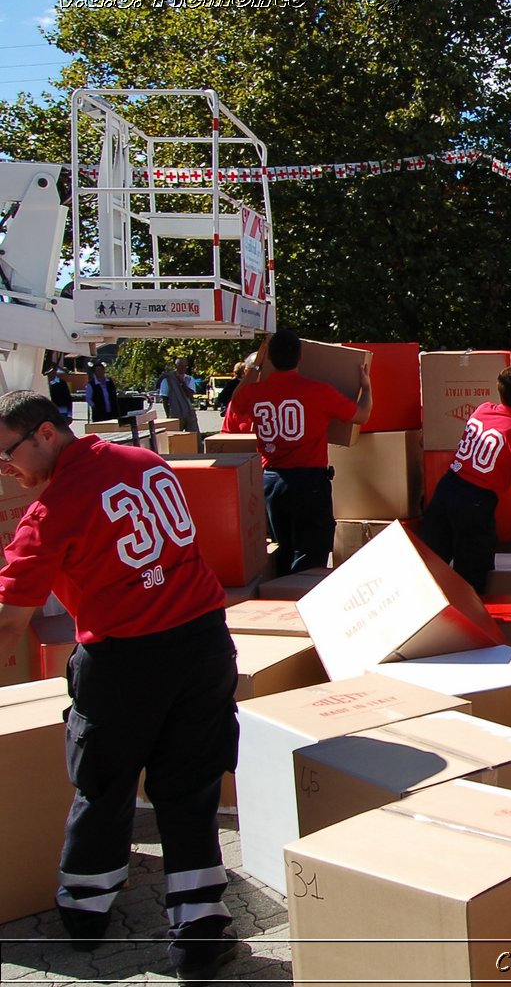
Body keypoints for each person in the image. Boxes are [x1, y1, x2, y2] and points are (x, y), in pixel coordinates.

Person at [0, 392, 242, 983]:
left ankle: (85, 914)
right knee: (190, 790)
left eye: (7, 454)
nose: (7, 469)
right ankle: (199, 936)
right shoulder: (148, 464)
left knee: (102, 784)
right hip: (205, 645)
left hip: (125, 661)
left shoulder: (51, 511)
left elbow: (9, 620)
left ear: (47, 434)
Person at [228, 329, 372, 575]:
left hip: (272, 480)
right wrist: (366, 387)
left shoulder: (254, 393)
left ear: (269, 358)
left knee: (282, 551)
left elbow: (236, 402)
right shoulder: (318, 391)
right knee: (311, 556)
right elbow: (362, 415)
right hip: (309, 481)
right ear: (300, 357)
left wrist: (256, 367)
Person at [421, 363, 511, 593]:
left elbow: (500, 426)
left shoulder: (483, 409)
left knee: (431, 563)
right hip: (475, 502)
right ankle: (471, 624)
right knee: (472, 573)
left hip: (448, 486)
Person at [157, 358, 201, 433]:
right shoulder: (167, 380)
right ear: (176, 366)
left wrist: (182, 382)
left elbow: (190, 395)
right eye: (181, 366)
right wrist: (168, 416)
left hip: (188, 412)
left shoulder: (189, 379)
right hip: (175, 413)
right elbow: (165, 399)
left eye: (185, 366)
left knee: (194, 436)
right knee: (175, 436)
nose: (183, 368)